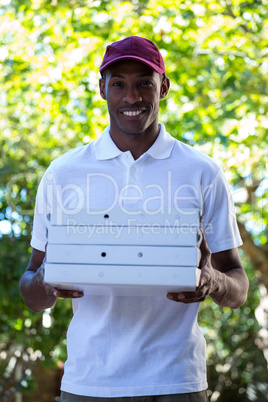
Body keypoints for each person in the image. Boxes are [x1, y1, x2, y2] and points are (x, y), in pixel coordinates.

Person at [19, 36, 249, 402]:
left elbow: (238, 287)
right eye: (118, 84)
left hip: (177, 382)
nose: (131, 97)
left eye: (144, 82)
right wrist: (46, 283)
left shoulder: (202, 171)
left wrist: (212, 282)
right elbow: (31, 289)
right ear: (102, 89)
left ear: (164, 87)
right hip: (88, 384)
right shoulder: (63, 173)